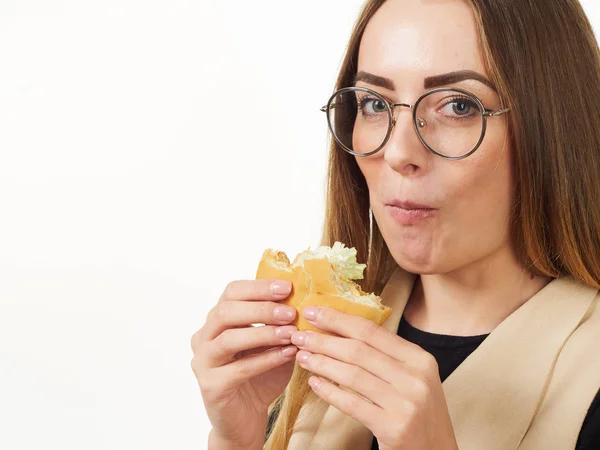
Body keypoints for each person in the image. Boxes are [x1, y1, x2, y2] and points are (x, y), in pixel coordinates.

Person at [190, 0, 600, 448]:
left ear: (552, 126)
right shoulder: (301, 350)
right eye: (372, 103)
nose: (399, 151)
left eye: (459, 106)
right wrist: (240, 441)